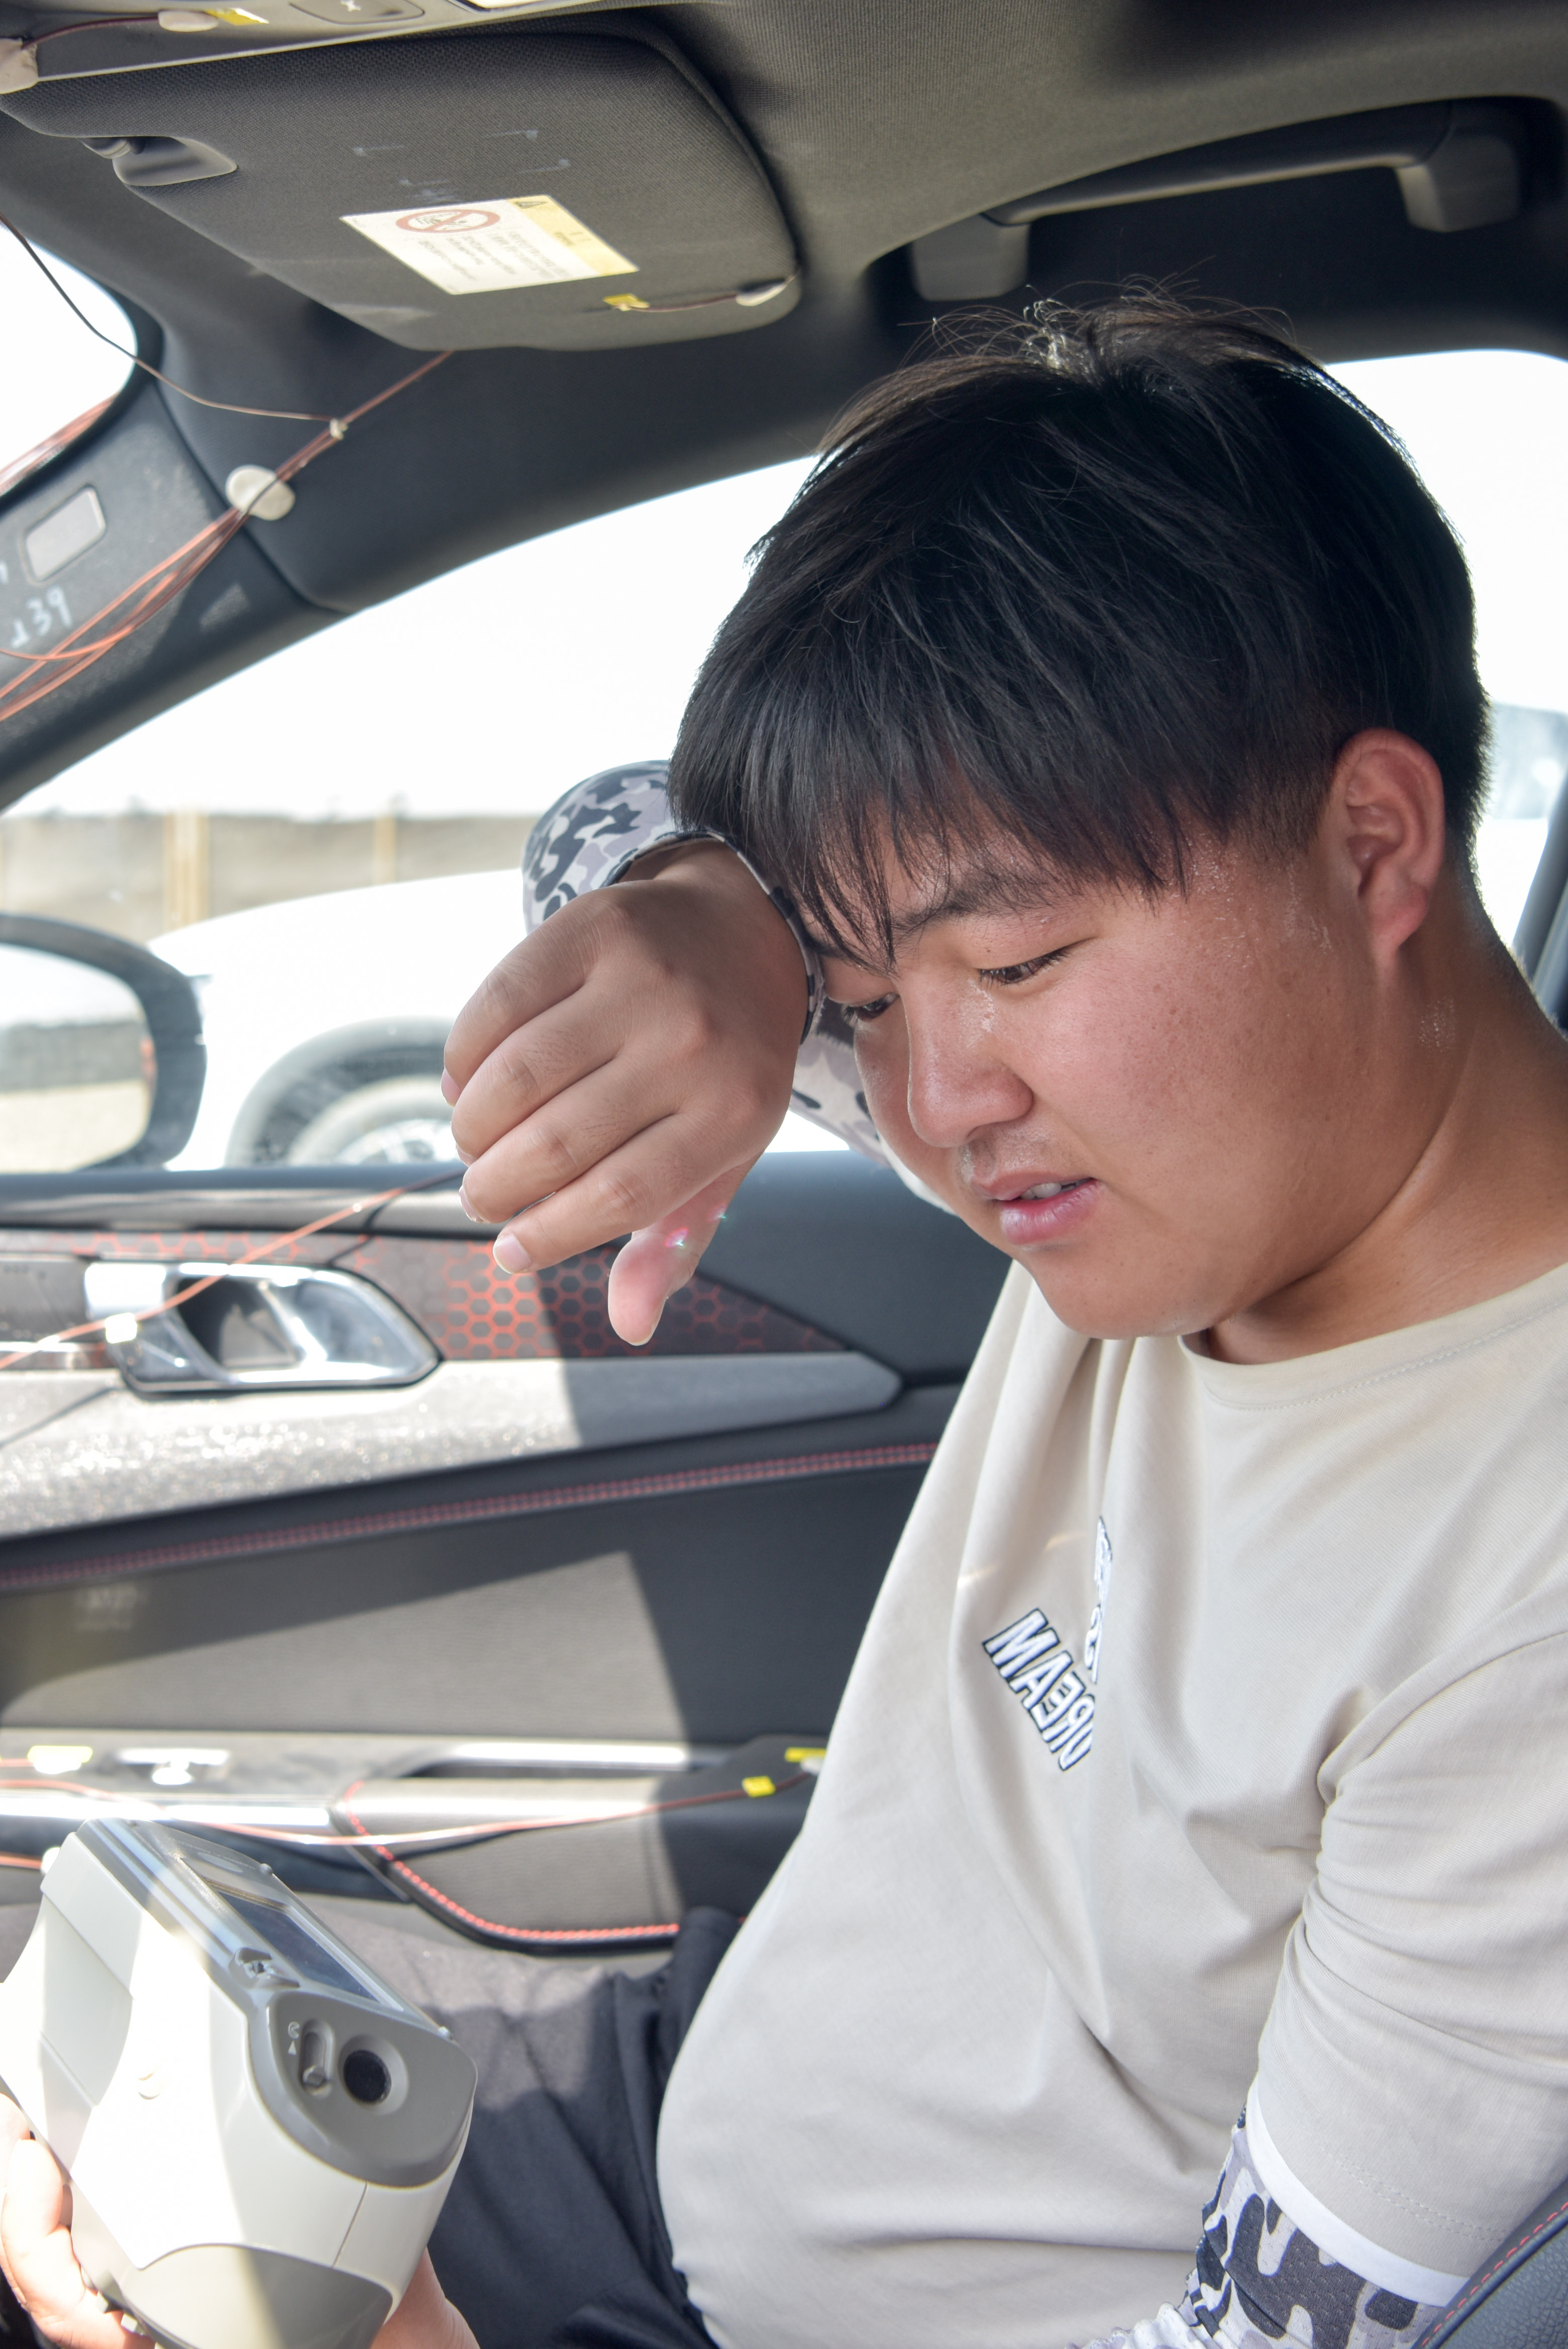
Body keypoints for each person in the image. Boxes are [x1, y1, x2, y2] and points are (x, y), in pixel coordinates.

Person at [7, 296, 1568, 2349]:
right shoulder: (1176, 1161)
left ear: (1370, 844)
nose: (932, 1104)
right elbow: (599, 836)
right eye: (862, 998)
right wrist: (721, 917)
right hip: (686, 2109)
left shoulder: (1522, 1608)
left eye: (1014, 961)